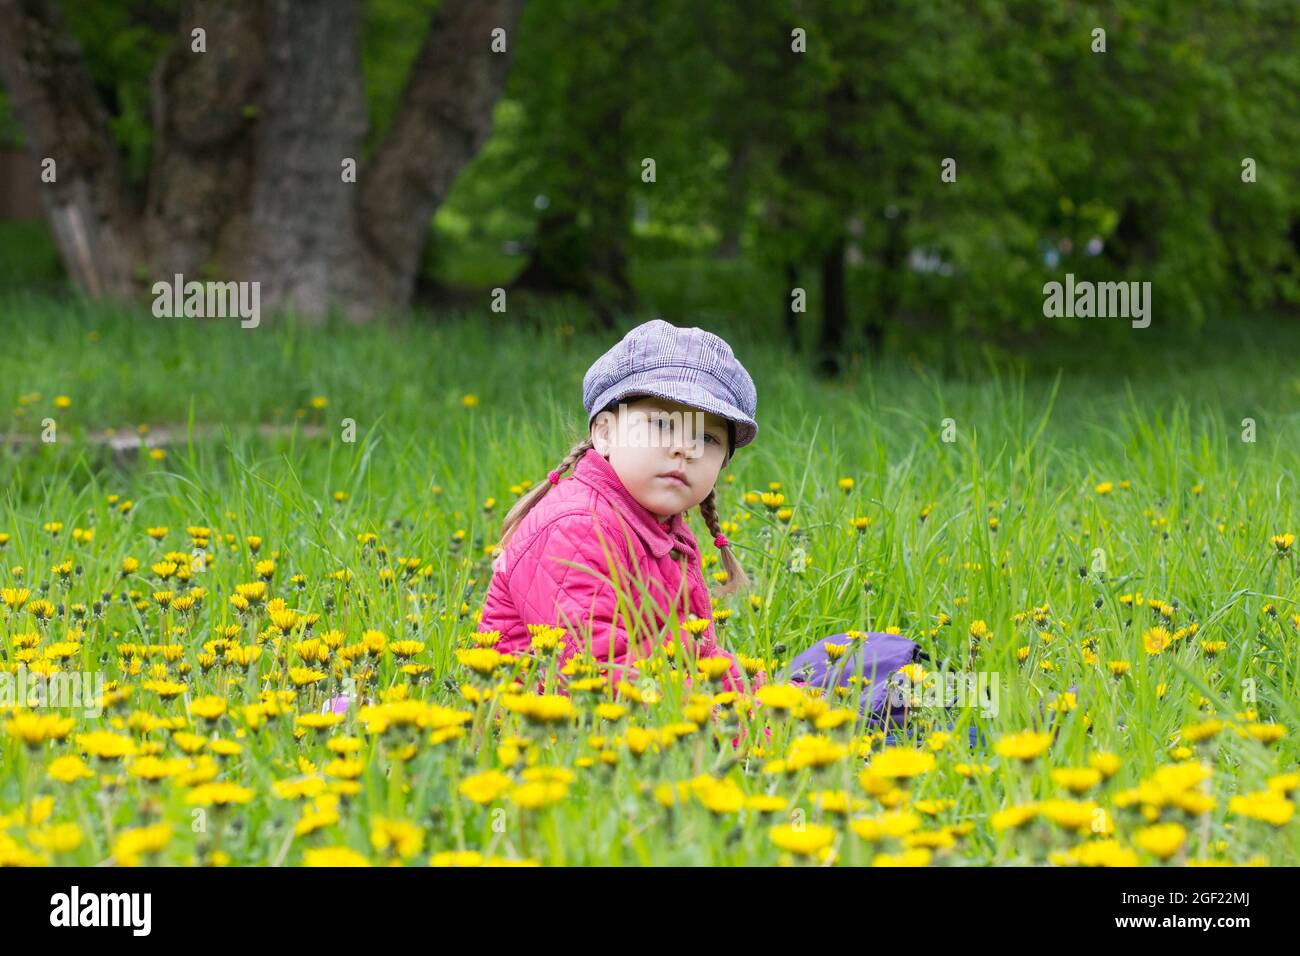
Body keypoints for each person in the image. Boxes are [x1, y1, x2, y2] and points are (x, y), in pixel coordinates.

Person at [477, 318, 765, 698]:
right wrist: (745, 726)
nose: (684, 448)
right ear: (605, 433)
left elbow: (696, 656)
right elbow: (599, 677)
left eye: (707, 437)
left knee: (840, 673)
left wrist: (766, 699)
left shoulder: (660, 529)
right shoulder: (576, 526)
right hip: (546, 733)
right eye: (662, 424)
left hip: (643, 708)